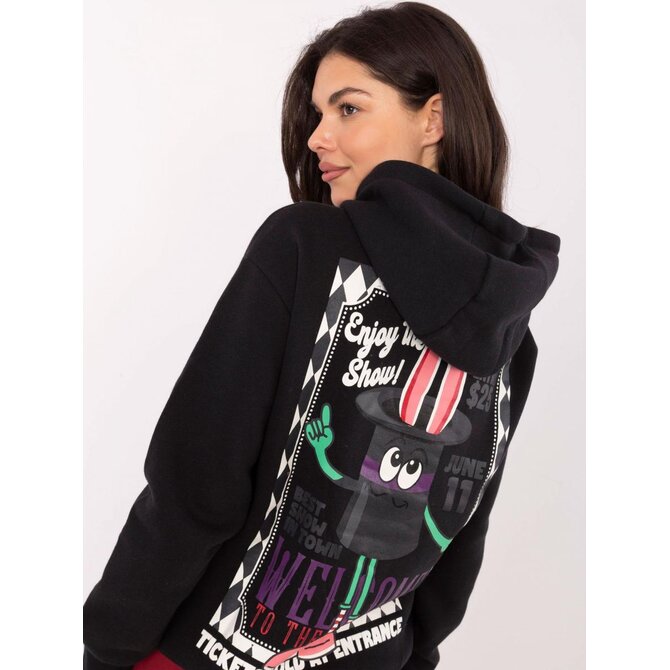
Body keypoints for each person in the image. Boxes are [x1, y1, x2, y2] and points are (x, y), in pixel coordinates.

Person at [83, 3, 561, 669]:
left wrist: (111, 642)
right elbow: (461, 531)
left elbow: (198, 484)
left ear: (434, 118)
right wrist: (414, 653)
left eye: (348, 108)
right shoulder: (512, 327)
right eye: (317, 114)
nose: (316, 137)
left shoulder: (303, 247)